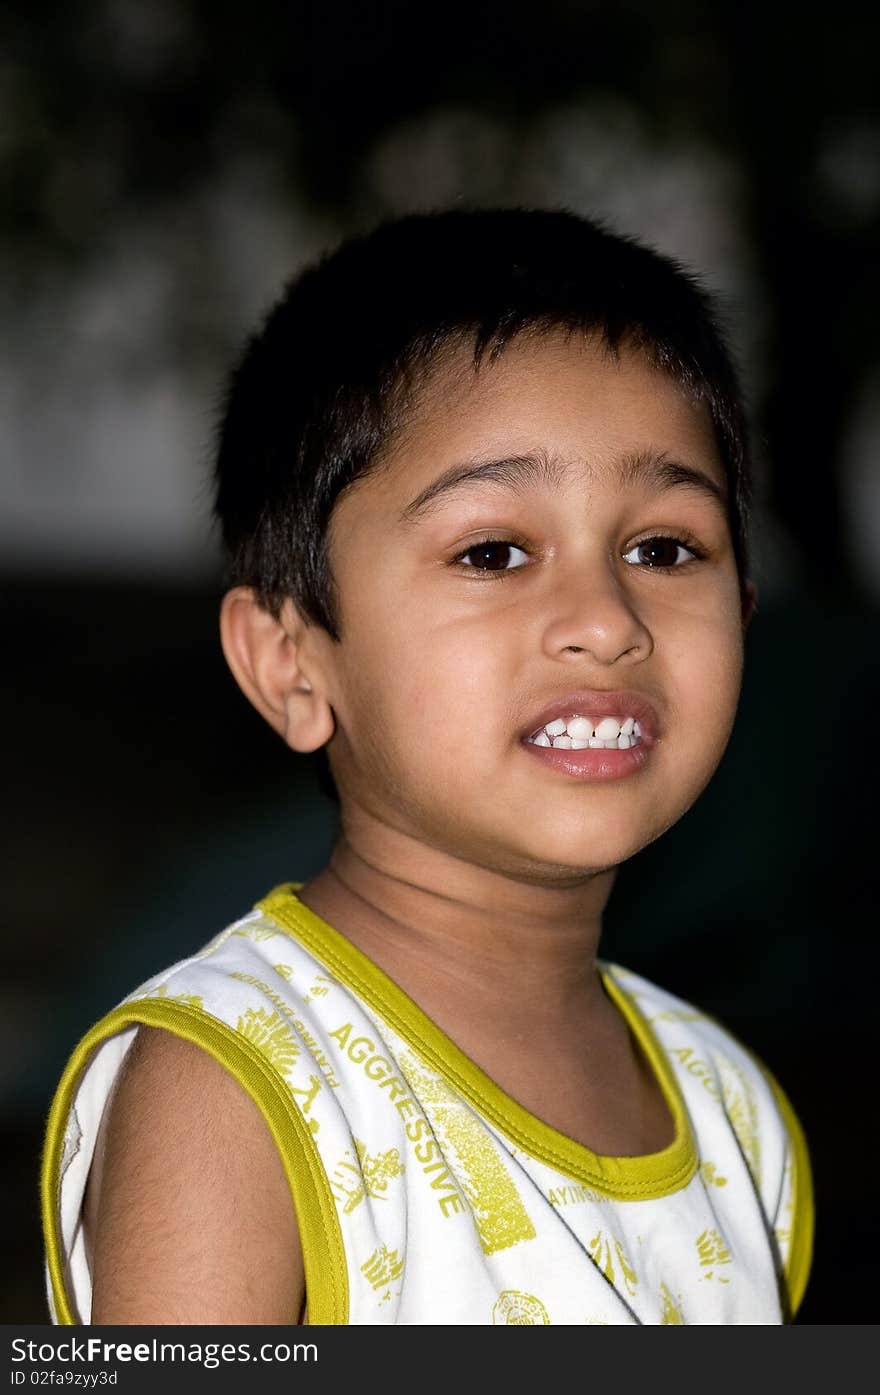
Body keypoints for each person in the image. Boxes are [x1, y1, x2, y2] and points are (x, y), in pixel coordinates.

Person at [40, 207, 813, 1326]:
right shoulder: (236, 1087)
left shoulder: (733, 1110)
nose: (604, 621)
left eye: (663, 548)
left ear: (742, 614)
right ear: (293, 665)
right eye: (493, 552)